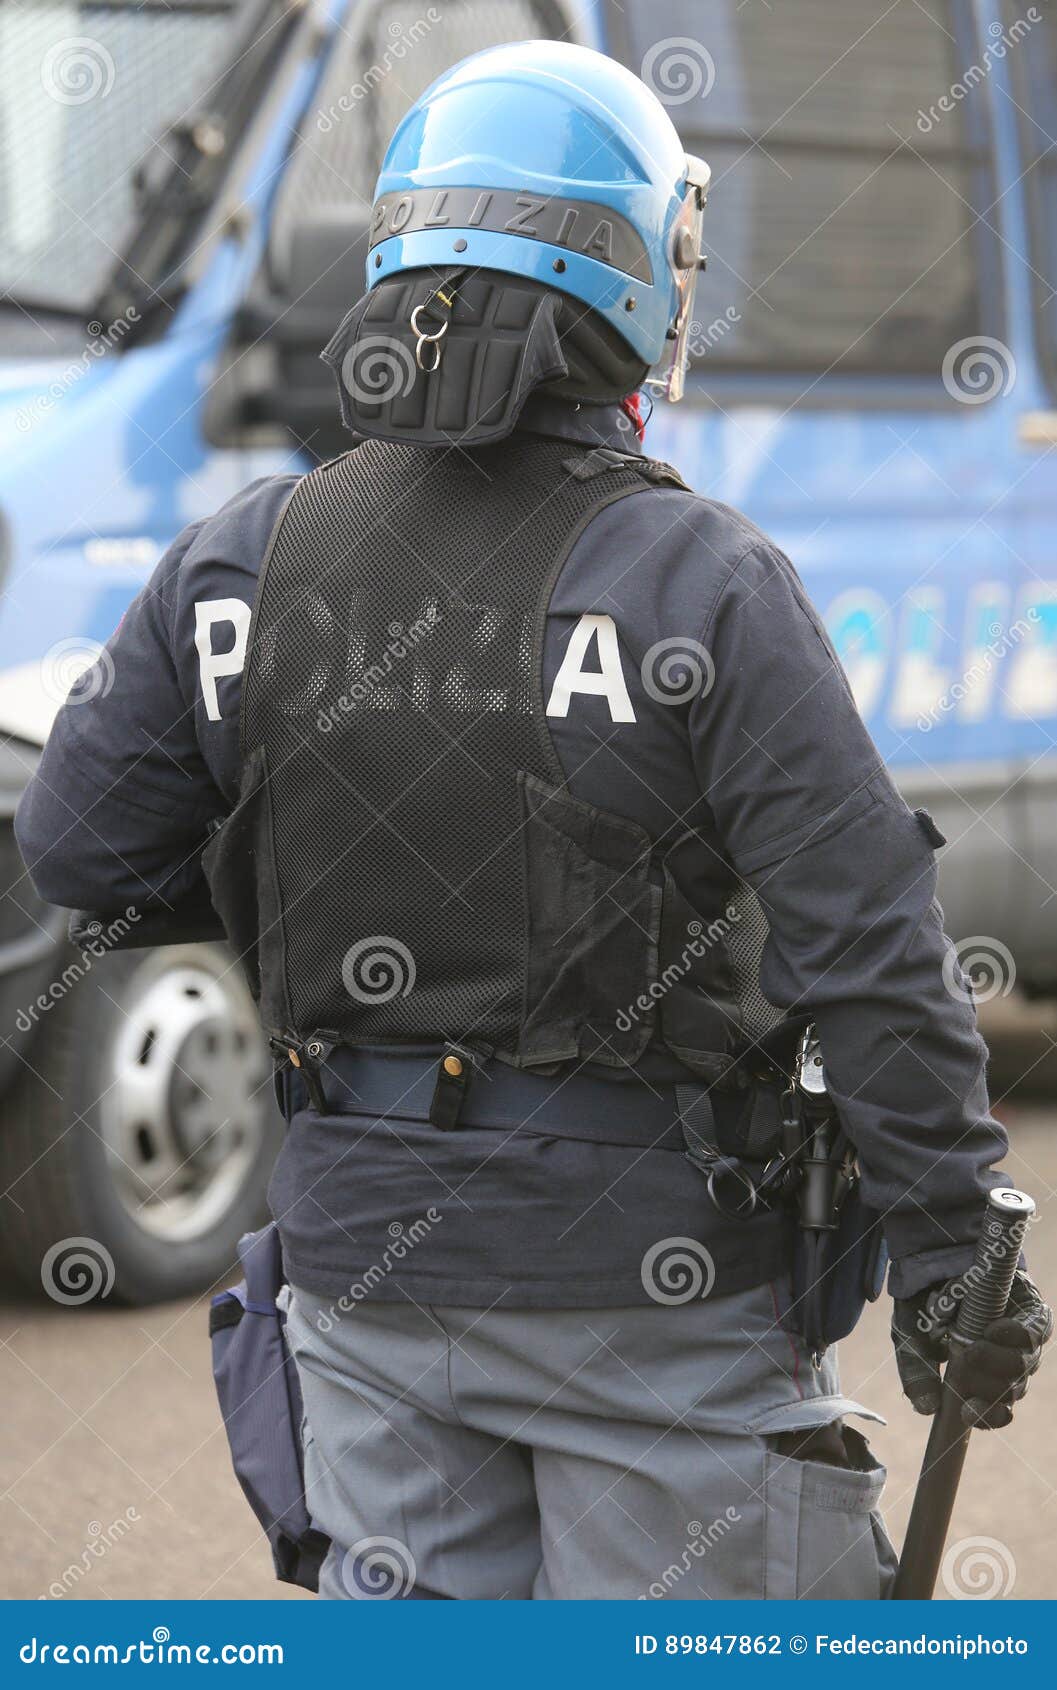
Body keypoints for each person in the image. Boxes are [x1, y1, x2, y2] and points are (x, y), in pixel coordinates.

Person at [16, 41, 1049, 1602]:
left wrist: (302, 858)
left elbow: (82, 854)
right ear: (627, 276)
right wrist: (950, 1244)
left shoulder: (237, 562)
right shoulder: (703, 583)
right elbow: (871, 949)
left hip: (365, 1294)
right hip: (662, 1303)